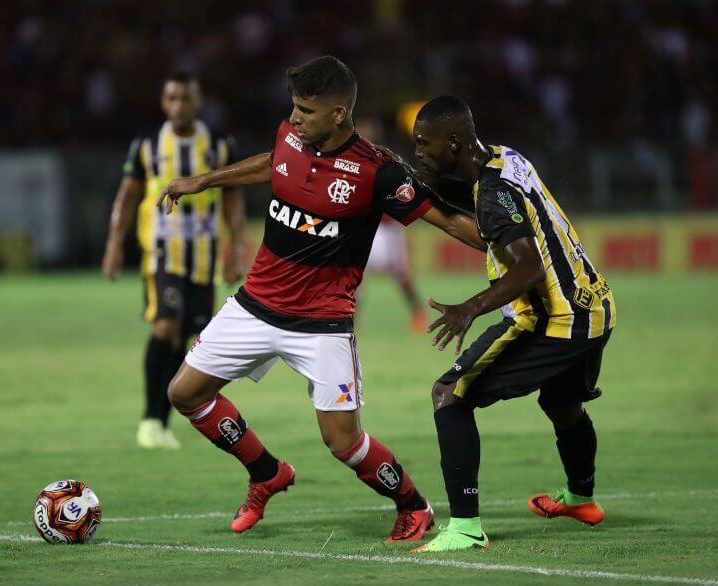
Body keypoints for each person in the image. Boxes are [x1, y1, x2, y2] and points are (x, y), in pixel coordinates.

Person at [159, 57, 485, 540]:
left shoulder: (378, 173)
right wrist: (204, 180)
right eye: (293, 108)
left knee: (343, 442)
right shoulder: (290, 136)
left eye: (305, 111)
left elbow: (444, 217)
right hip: (254, 304)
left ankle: (413, 506)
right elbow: (274, 164)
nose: (294, 119)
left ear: (338, 114)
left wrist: (506, 239)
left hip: (322, 324)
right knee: (184, 393)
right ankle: (267, 472)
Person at [405, 96, 616, 553]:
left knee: (450, 394)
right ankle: (581, 498)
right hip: (594, 308)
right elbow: (483, 203)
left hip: (552, 319)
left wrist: (470, 307)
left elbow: (528, 268)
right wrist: (429, 188)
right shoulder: (502, 158)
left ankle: (464, 526)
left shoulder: (496, 194)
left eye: (424, 143)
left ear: (454, 141)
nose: (418, 150)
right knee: (562, 403)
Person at [102, 72, 246, 450]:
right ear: (164, 103)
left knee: (186, 336)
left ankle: (161, 424)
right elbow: (127, 196)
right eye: (172, 98)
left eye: (186, 98)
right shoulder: (148, 144)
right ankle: (149, 418)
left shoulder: (217, 144)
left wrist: (237, 248)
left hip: (205, 257)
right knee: (165, 327)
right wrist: (114, 244)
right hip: (162, 254)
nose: (178, 105)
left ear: (198, 102)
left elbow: (232, 198)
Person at [355, 117, 430, 334]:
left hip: (387, 228)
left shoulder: (388, 160)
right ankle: (350, 320)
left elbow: (405, 192)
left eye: (365, 133)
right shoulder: (351, 161)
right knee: (357, 277)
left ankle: (418, 313)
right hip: (364, 227)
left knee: (402, 275)